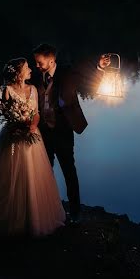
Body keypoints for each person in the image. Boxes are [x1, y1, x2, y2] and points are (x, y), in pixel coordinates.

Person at [0, 58, 66, 237]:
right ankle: (10, 217)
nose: (31, 70)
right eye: (27, 68)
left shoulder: (33, 89)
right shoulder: (7, 91)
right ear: (19, 73)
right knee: (11, 176)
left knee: (33, 174)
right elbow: (6, 115)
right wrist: (18, 126)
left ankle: (34, 215)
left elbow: (37, 114)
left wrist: (33, 126)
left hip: (32, 136)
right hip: (13, 136)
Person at [32, 43, 110, 223]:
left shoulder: (67, 73)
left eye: (40, 62)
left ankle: (75, 213)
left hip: (64, 131)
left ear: (51, 60)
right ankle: (46, 208)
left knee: (69, 171)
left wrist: (99, 68)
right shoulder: (36, 76)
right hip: (42, 132)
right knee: (45, 171)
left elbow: (89, 86)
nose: (37, 65)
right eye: (35, 62)